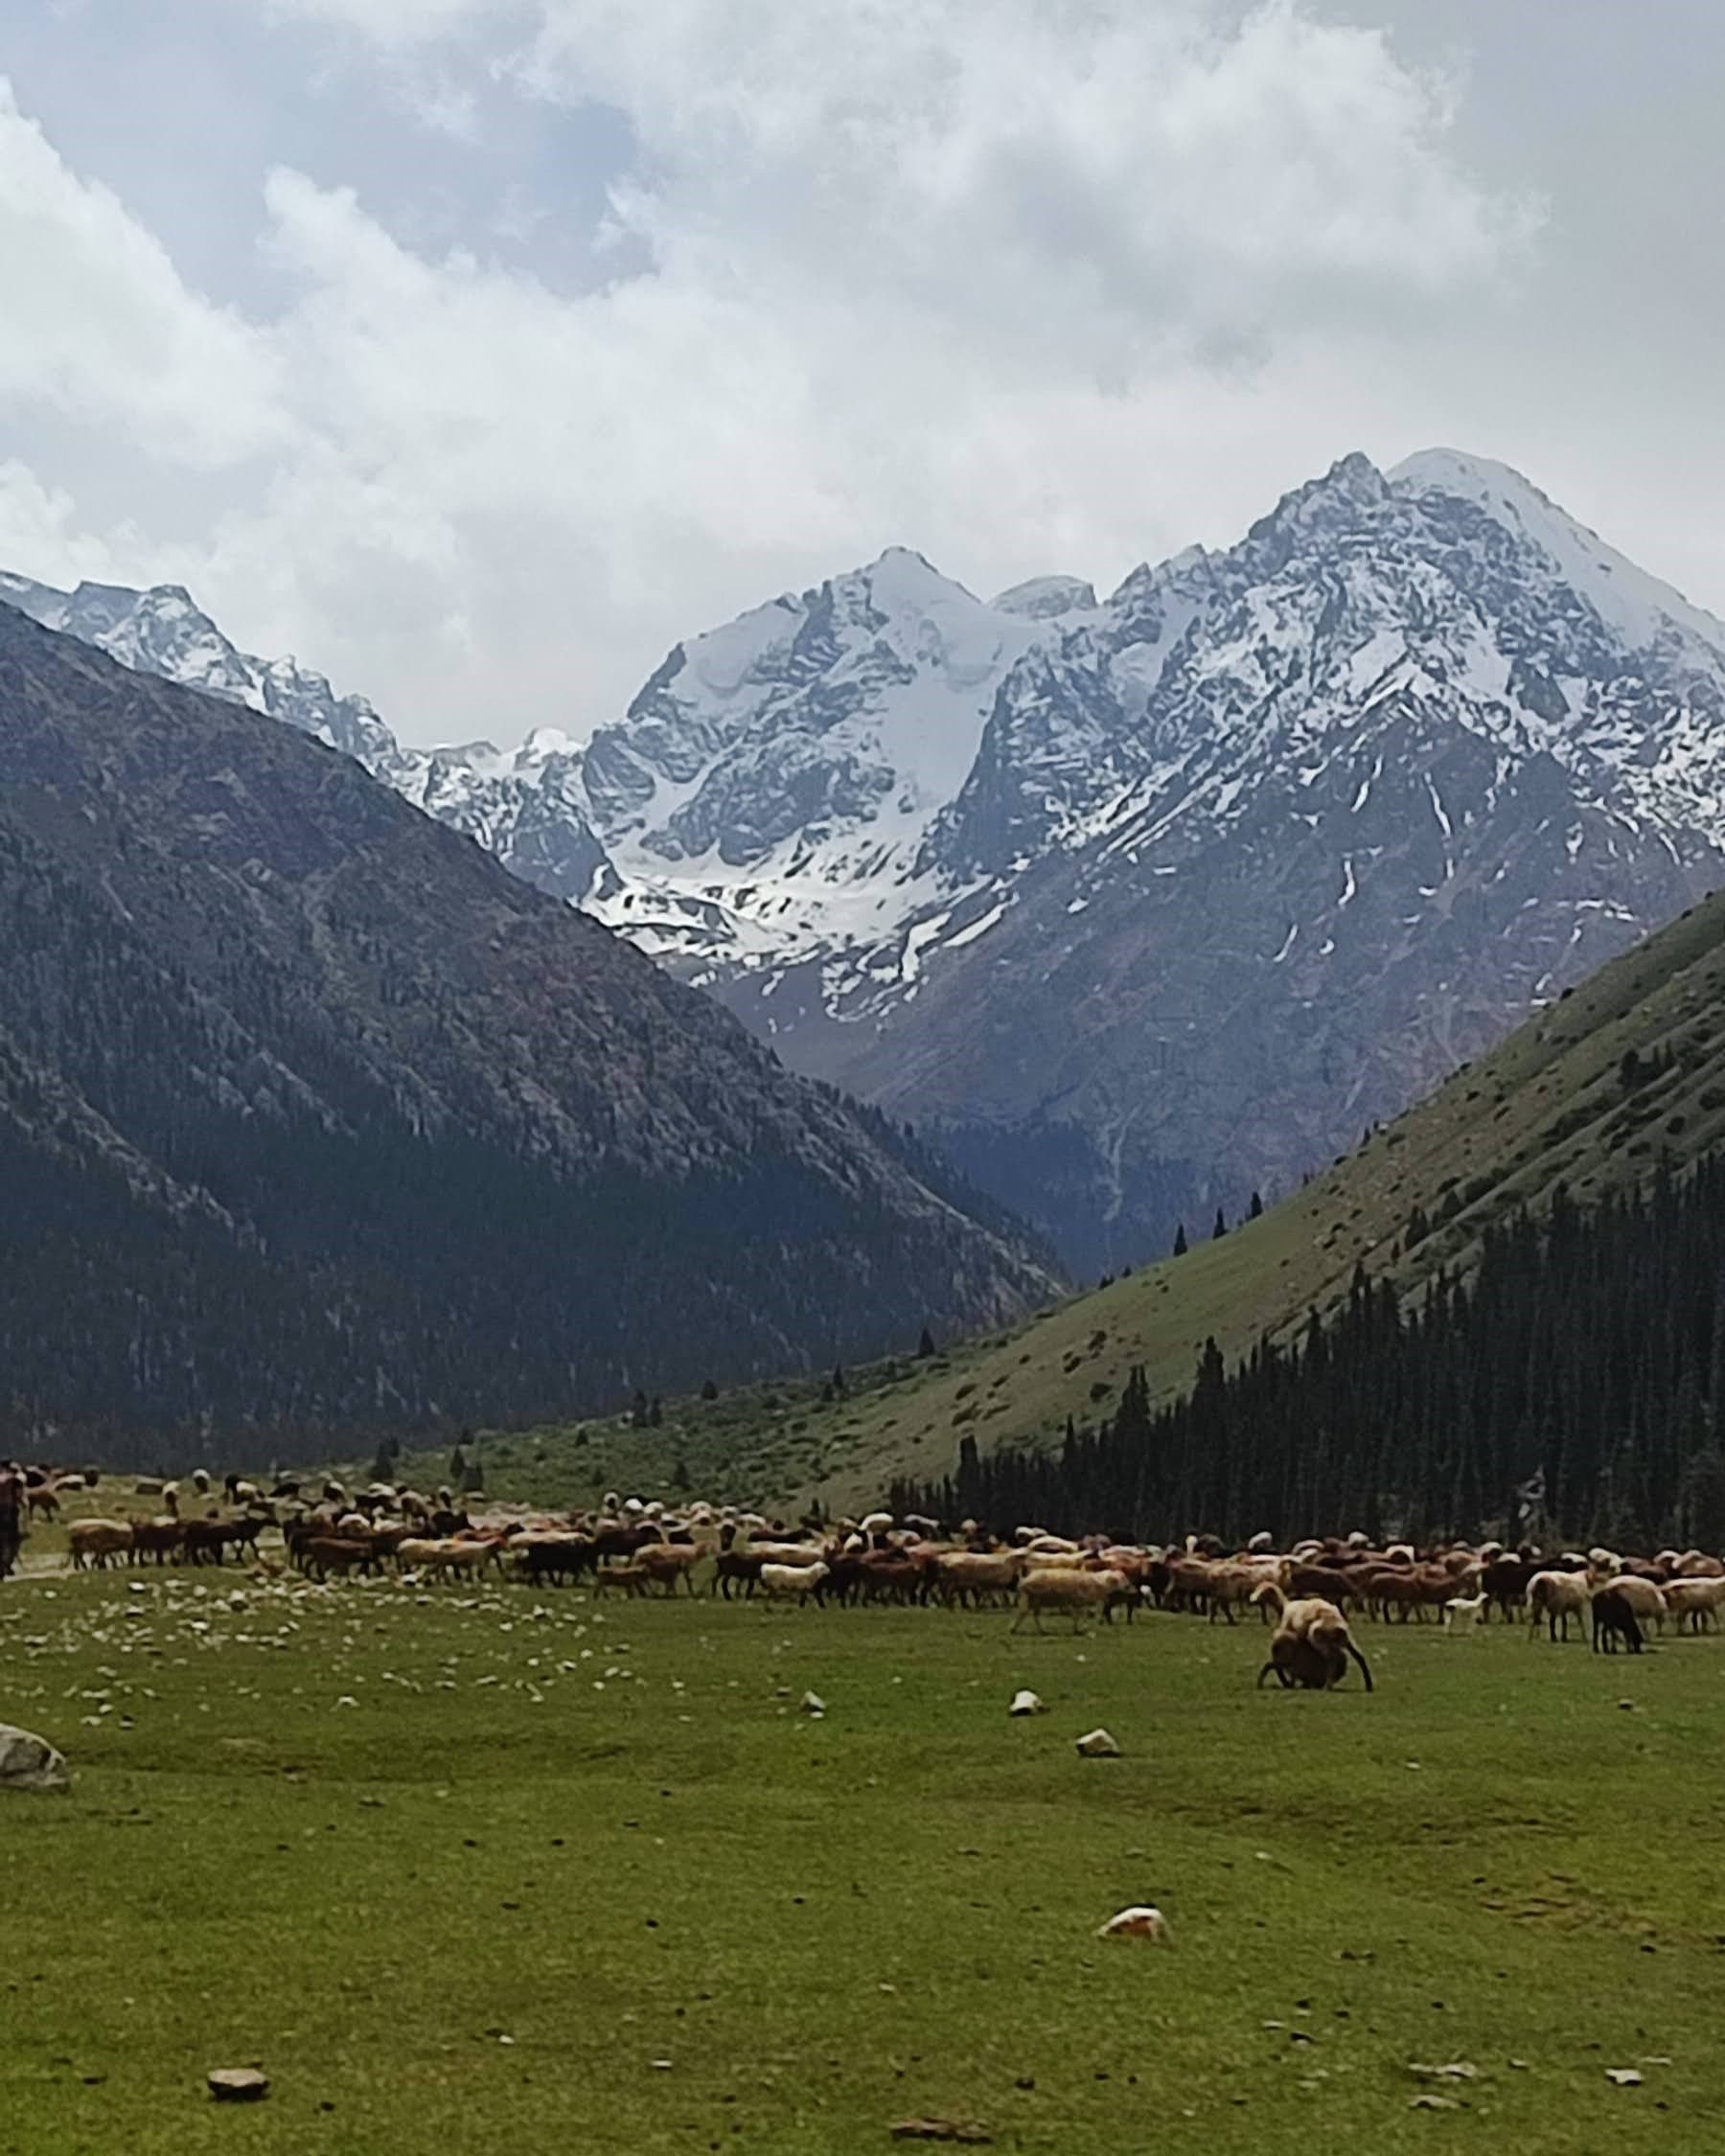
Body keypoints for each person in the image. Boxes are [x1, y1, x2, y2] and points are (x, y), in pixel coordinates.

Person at [0, 1459, 24, 1580]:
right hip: (9, 1511)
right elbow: (19, 1496)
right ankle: (6, 1565)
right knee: (12, 1539)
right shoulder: (14, 1480)